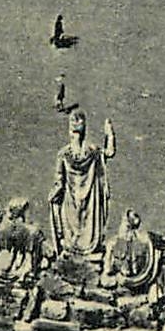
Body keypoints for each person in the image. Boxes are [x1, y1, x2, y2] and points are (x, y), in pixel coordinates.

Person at [48, 109, 116, 258]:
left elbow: (59, 183)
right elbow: (110, 152)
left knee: (71, 228)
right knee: (88, 223)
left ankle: (70, 247)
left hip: (70, 200)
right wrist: (109, 134)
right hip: (90, 200)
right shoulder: (93, 151)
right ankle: (89, 248)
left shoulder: (64, 154)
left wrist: (53, 196)